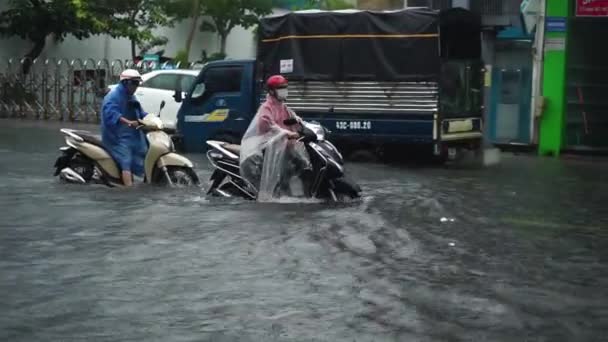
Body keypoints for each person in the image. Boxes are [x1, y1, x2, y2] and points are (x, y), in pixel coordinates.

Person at [239, 75, 312, 199]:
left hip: (284, 148)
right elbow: (267, 125)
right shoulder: (266, 107)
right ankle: (275, 197)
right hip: (268, 149)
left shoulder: (283, 106)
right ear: (272, 91)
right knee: (282, 175)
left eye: (285, 87)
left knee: (304, 166)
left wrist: (304, 126)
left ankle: (305, 195)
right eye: (280, 88)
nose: (284, 90)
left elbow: (294, 119)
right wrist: (286, 133)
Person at [101, 69, 148, 187]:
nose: (136, 87)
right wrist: (129, 122)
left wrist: (151, 118)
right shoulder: (113, 96)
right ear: (126, 82)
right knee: (126, 159)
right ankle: (128, 189)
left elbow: (140, 111)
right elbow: (112, 114)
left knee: (144, 153)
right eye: (134, 83)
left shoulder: (131, 96)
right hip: (117, 137)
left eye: (138, 83)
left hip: (132, 135)